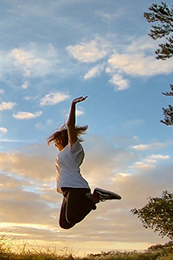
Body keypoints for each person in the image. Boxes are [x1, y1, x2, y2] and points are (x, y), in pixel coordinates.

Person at [48, 96, 121, 229]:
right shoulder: (65, 153)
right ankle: (94, 197)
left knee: (72, 217)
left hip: (76, 187)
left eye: (56, 142)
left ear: (62, 140)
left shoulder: (73, 148)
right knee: (64, 224)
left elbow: (70, 126)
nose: (55, 145)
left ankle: (96, 196)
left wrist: (73, 104)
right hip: (67, 189)